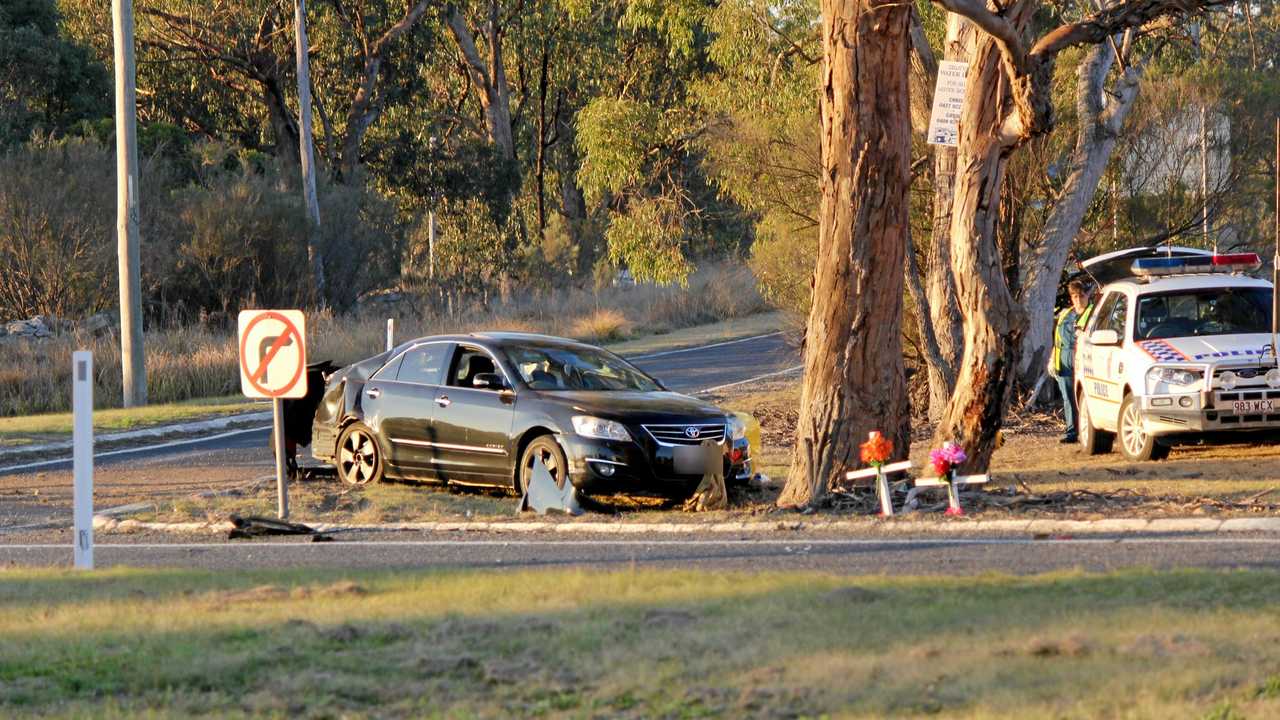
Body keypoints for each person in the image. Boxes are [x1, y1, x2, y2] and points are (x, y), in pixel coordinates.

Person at [1048, 279, 1090, 443]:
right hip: (1063, 360)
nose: (1078, 300)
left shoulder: (1092, 313)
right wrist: (1052, 358)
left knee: (1084, 397)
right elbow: (1058, 338)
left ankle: (1088, 432)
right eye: (1074, 296)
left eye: (1081, 295)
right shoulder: (1066, 313)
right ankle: (1072, 432)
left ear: (1087, 296)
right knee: (1068, 398)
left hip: (1082, 359)